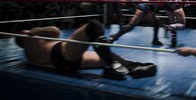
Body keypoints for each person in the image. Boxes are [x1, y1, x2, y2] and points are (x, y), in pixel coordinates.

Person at [15, 20, 157, 80]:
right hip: (62, 52)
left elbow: (43, 62)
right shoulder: (29, 38)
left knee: (103, 56)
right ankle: (112, 68)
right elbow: (55, 30)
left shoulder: (30, 53)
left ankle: (131, 66)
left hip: (64, 63)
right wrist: (34, 31)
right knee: (93, 27)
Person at [108, 0, 174, 46]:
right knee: (131, 25)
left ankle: (155, 40)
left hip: (148, 7)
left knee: (156, 21)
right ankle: (115, 37)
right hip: (144, 5)